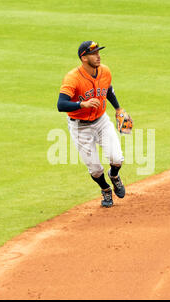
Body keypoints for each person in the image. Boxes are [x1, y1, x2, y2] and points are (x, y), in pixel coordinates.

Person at [57, 41, 127, 207]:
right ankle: (105, 189)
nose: (98, 56)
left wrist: (118, 108)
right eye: (94, 53)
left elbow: (108, 89)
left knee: (117, 158)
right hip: (80, 126)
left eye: (98, 52)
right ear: (84, 58)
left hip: (101, 121)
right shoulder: (72, 78)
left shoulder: (105, 71)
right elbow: (61, 104)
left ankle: (114, 176)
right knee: (95, 169)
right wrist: (82, 104)